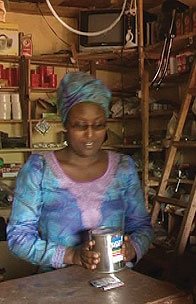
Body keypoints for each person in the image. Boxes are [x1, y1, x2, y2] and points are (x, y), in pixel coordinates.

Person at [7, 72, 154, 273]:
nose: (90, 134)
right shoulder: (39, 169)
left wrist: (133, 248)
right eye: (80, 125)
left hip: (116, 286)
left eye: (99, 125)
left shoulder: (123, 168)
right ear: (65, 124)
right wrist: (71, 255)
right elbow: (19, 238)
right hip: (58, 290)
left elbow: (142, 227)